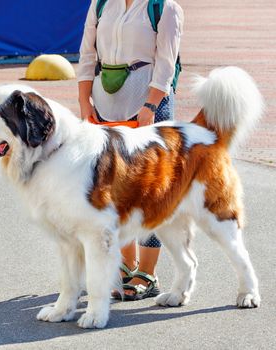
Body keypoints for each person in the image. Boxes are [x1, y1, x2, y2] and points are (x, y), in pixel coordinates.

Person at [77, 0, 184, 300]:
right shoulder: (100, 5)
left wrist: (151, 105)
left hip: (148, 109)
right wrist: (85, 102)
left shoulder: (164, 8)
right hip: (106, 109)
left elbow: (166, 61)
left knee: (149, 191)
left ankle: (148, 275)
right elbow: (88, 54)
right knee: (115, 191)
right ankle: (126, 267)